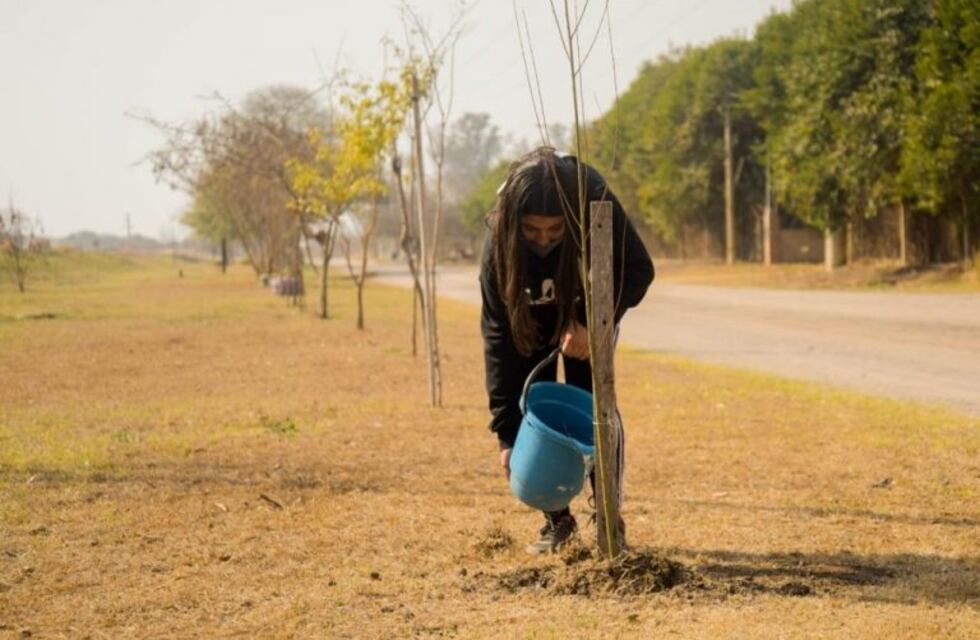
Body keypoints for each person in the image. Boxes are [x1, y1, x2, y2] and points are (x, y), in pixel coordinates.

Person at [479, 146, 655, 554]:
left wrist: (592, 325)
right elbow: (496, 336)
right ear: (513, 224)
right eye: (532, 231)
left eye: (555, 231)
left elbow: (639, 270)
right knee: (533, 409)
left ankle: (609, 519)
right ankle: (557, 519)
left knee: (593, 409)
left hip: (587, 310)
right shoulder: (498, 245)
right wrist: (506, 433)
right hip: (527, 317)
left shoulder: (595, 197)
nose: (543, 240)